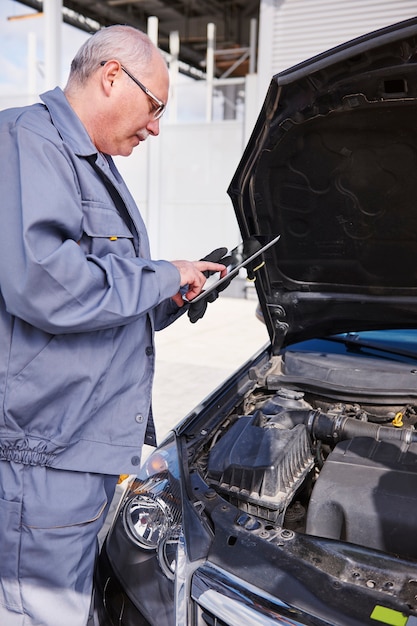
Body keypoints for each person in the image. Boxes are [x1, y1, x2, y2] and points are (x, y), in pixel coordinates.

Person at [0, 24, 228, 626]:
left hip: (81, 451)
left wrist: (172, 294)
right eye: (154, 107)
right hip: (43, 453)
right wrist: (160, 273)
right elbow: (45, 283)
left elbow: (99, 303)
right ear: (110, 77)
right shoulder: (30, 141)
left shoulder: (88, 161)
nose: (155, 127)